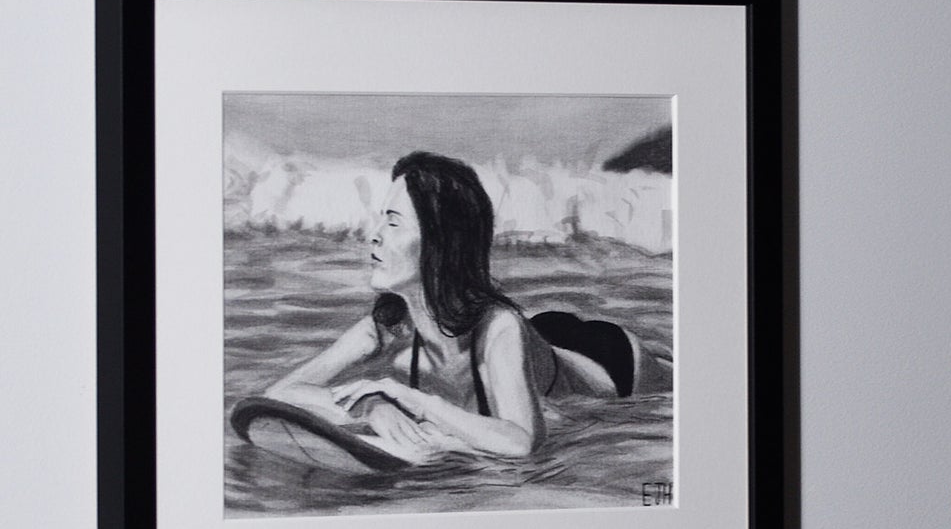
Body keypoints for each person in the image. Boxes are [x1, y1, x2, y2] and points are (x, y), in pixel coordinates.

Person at [264, 150, 663, 462]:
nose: (375, 235)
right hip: (541, 335)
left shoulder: (499, 327)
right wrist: (370, 406)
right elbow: (281, 393)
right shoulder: (386, 326)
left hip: (610, 362)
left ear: (441, 241)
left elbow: (521, 442)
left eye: (393, 222)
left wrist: (415, 401)